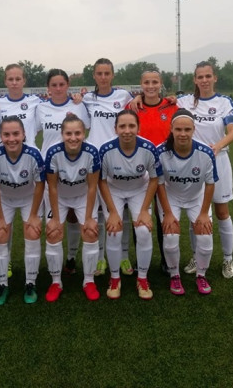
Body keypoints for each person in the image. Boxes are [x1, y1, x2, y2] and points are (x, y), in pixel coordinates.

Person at [178, 61, 233, 279]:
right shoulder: (184, 101)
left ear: (215, 78)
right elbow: (160, 101)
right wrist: (137, 98)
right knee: (195, 215)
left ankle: (228, 258)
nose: (204, 80)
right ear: (195, 80)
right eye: (200, 77)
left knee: (222, 212)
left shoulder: (224, 102)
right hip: (193, 163)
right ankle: (196, 256)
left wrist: (218, 146)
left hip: (218, 160)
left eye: (208, 76)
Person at [98, 110, 162, 300]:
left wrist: (144, 210)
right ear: (115, 129)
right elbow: (102, 181)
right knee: (114, 231)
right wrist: (112, 212)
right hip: (114, 190)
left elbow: (154, 179)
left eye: (131, 126)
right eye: (122, 126)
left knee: (143, 231)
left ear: (138, 128)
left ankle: (142, 278)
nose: (127, 131)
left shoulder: (148, 148)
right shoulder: (106, 149)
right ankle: (115, 278)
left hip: (139, 190)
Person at [35, 69, 91, 276]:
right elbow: (31, 133)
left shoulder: (78, 105)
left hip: (74, 167)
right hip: (48, 168)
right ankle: (51, 263)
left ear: (68, 85)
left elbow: (86, 130)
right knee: (51, 216)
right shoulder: (41, 108)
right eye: (54, 85)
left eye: (61, 84)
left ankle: (71, 257)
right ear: (48, 88)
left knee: (73, 216)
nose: (58, 88)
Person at [156, 109, 217, 295]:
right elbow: (159, 184)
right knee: (170, 236)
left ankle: (201, 275)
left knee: (205, 234)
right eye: (178, 129)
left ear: (193, 130)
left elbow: (210, 184)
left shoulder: (205, 152)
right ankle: (174, 275)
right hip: (171, 197)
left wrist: (204, 213)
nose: (183, 134)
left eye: (187, 129)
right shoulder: (160, 151)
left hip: (196, 197)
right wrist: (167, 213)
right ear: (171, 129)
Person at [82, 58, 134, 277]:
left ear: (113, 75)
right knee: (100, 212)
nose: (103, 77)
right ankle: (101, 257)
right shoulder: (86, 99)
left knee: (122, 211)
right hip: (95, 160)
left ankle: (124, 256)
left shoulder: (124, 97)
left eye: (107, 73)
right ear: (94, 76)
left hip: (118, 158)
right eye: (99, 73)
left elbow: (138, 108)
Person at [0, 116, 45, 305]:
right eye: (6, 134)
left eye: (16, 134)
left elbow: (40, 185)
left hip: (29, 198)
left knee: (32, 232)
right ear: (1, 136)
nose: (11, 139)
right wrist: (0, 218)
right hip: (4, 199)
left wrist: (34, 215)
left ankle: (30, 282)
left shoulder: (34, 154)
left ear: (24, 134)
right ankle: (2, 284)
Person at [127, 70, 178, 274]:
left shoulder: (172, 106)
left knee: (163, 213)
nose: (150, 86)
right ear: (141, 84)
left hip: (166, 168)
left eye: (154, 82)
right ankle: (141, 261)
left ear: (160, 83)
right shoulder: (132, 107)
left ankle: (167, 259)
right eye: (146, 82)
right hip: (140, 170)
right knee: (140, 216)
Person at [45, 114, 101, 301]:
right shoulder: (53, 152)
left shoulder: (92, 152)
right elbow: (52, 186)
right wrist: (55, 219)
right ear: (62, 134)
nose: (73, 138)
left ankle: (89, 280)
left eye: (77, 133)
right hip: (59, 197)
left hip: (83, 196)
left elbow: (92, 186)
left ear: (84, 134)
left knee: (91, 232)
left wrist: (89, 218)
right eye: (68, 133)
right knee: (53, 233)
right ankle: (56, 282)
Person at [0, 64, 42, 147]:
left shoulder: (35, 101)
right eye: (10, 79)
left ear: (24, 81)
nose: (14, 83)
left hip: (29, 151)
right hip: (5, 151)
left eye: (18, 79)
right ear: (5, 81)